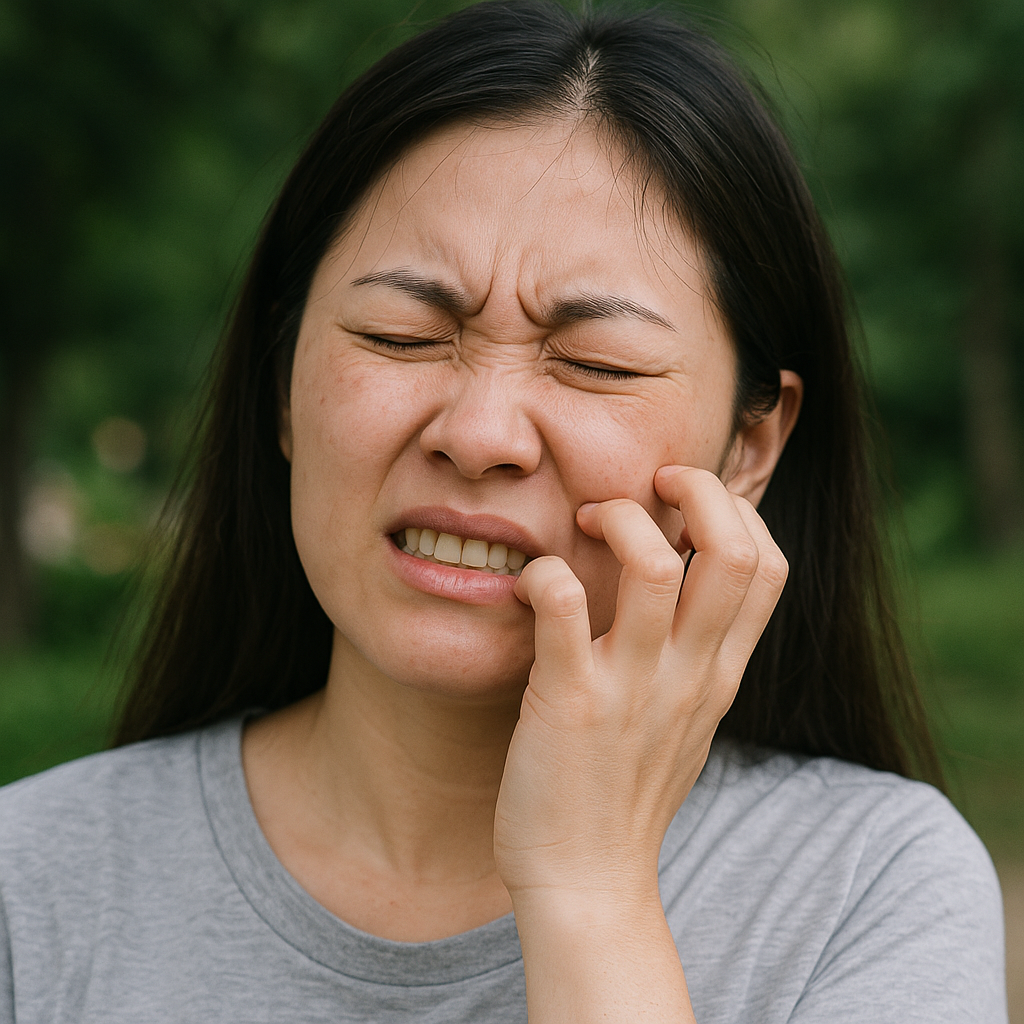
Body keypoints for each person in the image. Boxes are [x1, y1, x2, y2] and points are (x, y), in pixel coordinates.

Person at [0, 2, 1007, 1020]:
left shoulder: (864, 893)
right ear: (281, 384)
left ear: (750, 445)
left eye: (593, 362)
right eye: (400, 335)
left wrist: (588, 883)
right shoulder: (30, 888)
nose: (480, 433)